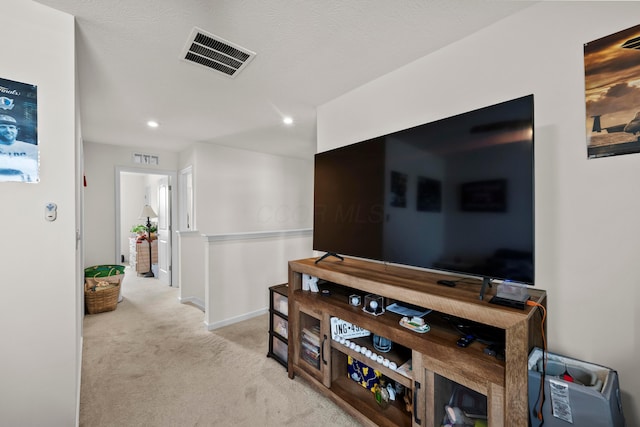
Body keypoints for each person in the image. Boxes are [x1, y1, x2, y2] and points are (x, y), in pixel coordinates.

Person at [0, 114, 38, 182]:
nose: (8, 131)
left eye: (11, 127)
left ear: (17, 130)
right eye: (3, 127)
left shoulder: (33, 149)